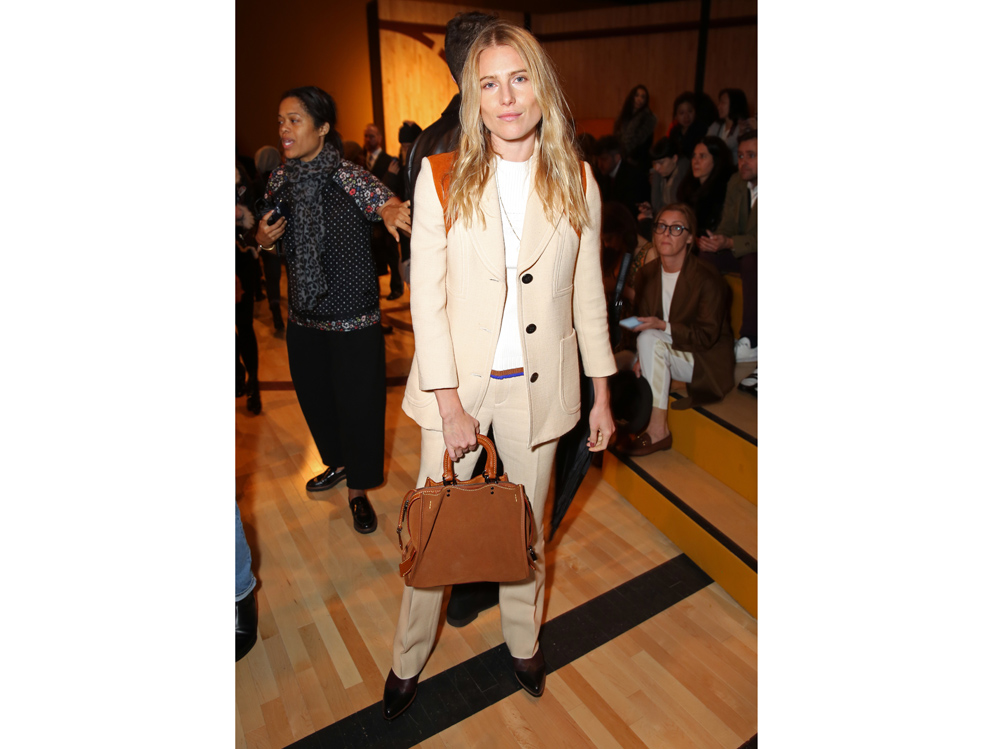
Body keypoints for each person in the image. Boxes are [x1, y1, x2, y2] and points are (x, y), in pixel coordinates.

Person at [383, 20, 616, 720]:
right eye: (489, 84)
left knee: (528, 534)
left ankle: (524, 641)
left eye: (519, 79)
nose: (507, 98)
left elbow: (587, 296)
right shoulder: (441, 177)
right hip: (456, 392)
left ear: (541, 87)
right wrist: (450, 405)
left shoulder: (577, 180)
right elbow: (427, 299)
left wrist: (602, 394)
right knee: (435, 531)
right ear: (473, 97)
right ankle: (406, 658)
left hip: (538, 393)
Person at [253, 86, 411, 533]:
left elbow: (384, 201)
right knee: (317, 402)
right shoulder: (280, 180)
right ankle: (338, 463)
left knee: (359, 407)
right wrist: (263, 240)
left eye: (295, 120)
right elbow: (267, 233)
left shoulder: (349, 176)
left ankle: (358, 489)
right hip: (304, 317)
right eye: (281, 120)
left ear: (322, 128)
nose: (285, 129)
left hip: (353, 319)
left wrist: (390, 212)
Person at [621, 203, 735, 456]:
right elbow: (643, 324)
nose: (666, 233)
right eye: (661, 226)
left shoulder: (708, 278)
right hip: (667, 348)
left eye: (676, 228)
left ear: (690, 238)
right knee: (629, 354)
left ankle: (658, 430)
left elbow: (706, 337)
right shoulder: (647, 274)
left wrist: (662, 326)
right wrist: (642, 356)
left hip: (704, 358)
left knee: (650, 338)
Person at [697, 130, 758, 377]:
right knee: (707, 257)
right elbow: (728, 224)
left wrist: (730, 241)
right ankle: (713, 331)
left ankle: (752, 339)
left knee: (752, 261)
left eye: (751, 155)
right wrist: (717, 241)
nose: (744, 162)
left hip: (755, 253)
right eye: (740, 156)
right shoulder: (737, 182)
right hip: (742, 247)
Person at [364, 123, 405, 300]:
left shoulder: (389, 160)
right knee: (372, 256)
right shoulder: (360, 161)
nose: (368, 139)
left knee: (391, 253)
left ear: (379, 138)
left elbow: (391, 188)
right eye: (366, 136)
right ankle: (374, 291)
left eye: (372, 136)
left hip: (386, 214)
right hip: (368, 219)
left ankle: (396, 287)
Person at [677, 135, 733, 238]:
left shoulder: (724, 190)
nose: (695, 161)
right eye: (694, 156)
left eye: (702, 156)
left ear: (716, 160)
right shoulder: (687, 187)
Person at [637, 136, 690, 238]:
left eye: (661, 163)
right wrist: (651, 210)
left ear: (674, 158)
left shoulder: (685, 175)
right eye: (655, 163)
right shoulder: (660, 176)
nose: (657, 168)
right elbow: (659, 206)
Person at [594, 134, 648, 219]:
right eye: (598, 160)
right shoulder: (602, 175)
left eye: (604, 159)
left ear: (617, 158)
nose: (599, 164)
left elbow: (628, 210)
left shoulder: (633, 177)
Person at [613, 84, 657, 172]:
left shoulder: (648, 119)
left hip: (639, 163)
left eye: (643, 97)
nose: (639, 99)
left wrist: (630, 157)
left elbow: (646, 145)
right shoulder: (623, 117)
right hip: (622, 160)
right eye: (637, 95)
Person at [706, 88, 751, 164]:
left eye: (723, 103)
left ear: (734, 104)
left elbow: (725, 148)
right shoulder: (716, 125)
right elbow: (706, 144)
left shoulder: (743, 127)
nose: (719, 107)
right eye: (719, 102)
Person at [667, 91, 708, 159]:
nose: (686, 116)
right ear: (676, 116)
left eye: (690, 111)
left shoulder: (701, 129)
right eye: (682, 113)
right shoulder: (674, 132)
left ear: (695, 112)